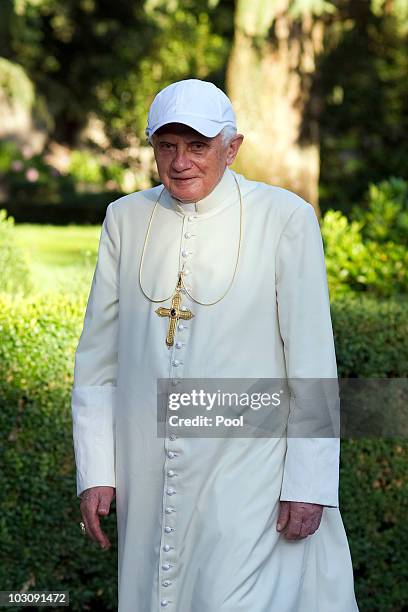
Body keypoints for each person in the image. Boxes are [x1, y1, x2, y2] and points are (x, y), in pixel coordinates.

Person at [72, 79, 359, 611]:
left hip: (249, 467)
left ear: (232, 148)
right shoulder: (125, 219)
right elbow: (97, 359)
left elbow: (313, 359)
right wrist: (97, 471)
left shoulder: (284, 218)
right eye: (168, 146)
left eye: (198, 146)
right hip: (147, 467)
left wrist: (309, 483)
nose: (181, 162)